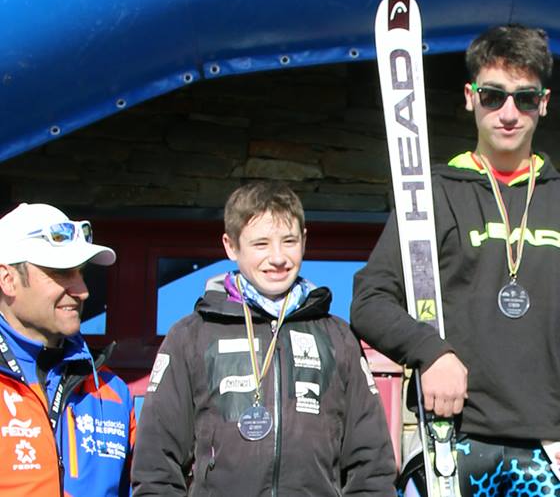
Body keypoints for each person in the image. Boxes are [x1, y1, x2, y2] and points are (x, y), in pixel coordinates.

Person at [352, 24, 560, 495]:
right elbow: (370, 301)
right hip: (453, 439)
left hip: (551, 450)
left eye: (525, 98)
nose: (508, 113)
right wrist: (431, 351)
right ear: (469, 97)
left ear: (544, 103)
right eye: (493, 96)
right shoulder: (432, 195)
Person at [131, 181, 396, 496]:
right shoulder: (191, 336)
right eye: (261, 244)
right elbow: (155, 468)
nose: (278, 257)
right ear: (231, 246)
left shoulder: (338, 337)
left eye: (289, 241)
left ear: (305, 240)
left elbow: (372, 468)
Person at [0, 203, 136, 496]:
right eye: (61, 272)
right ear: (8, 280)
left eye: (80, 273)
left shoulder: (111, 390)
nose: (82, 291)